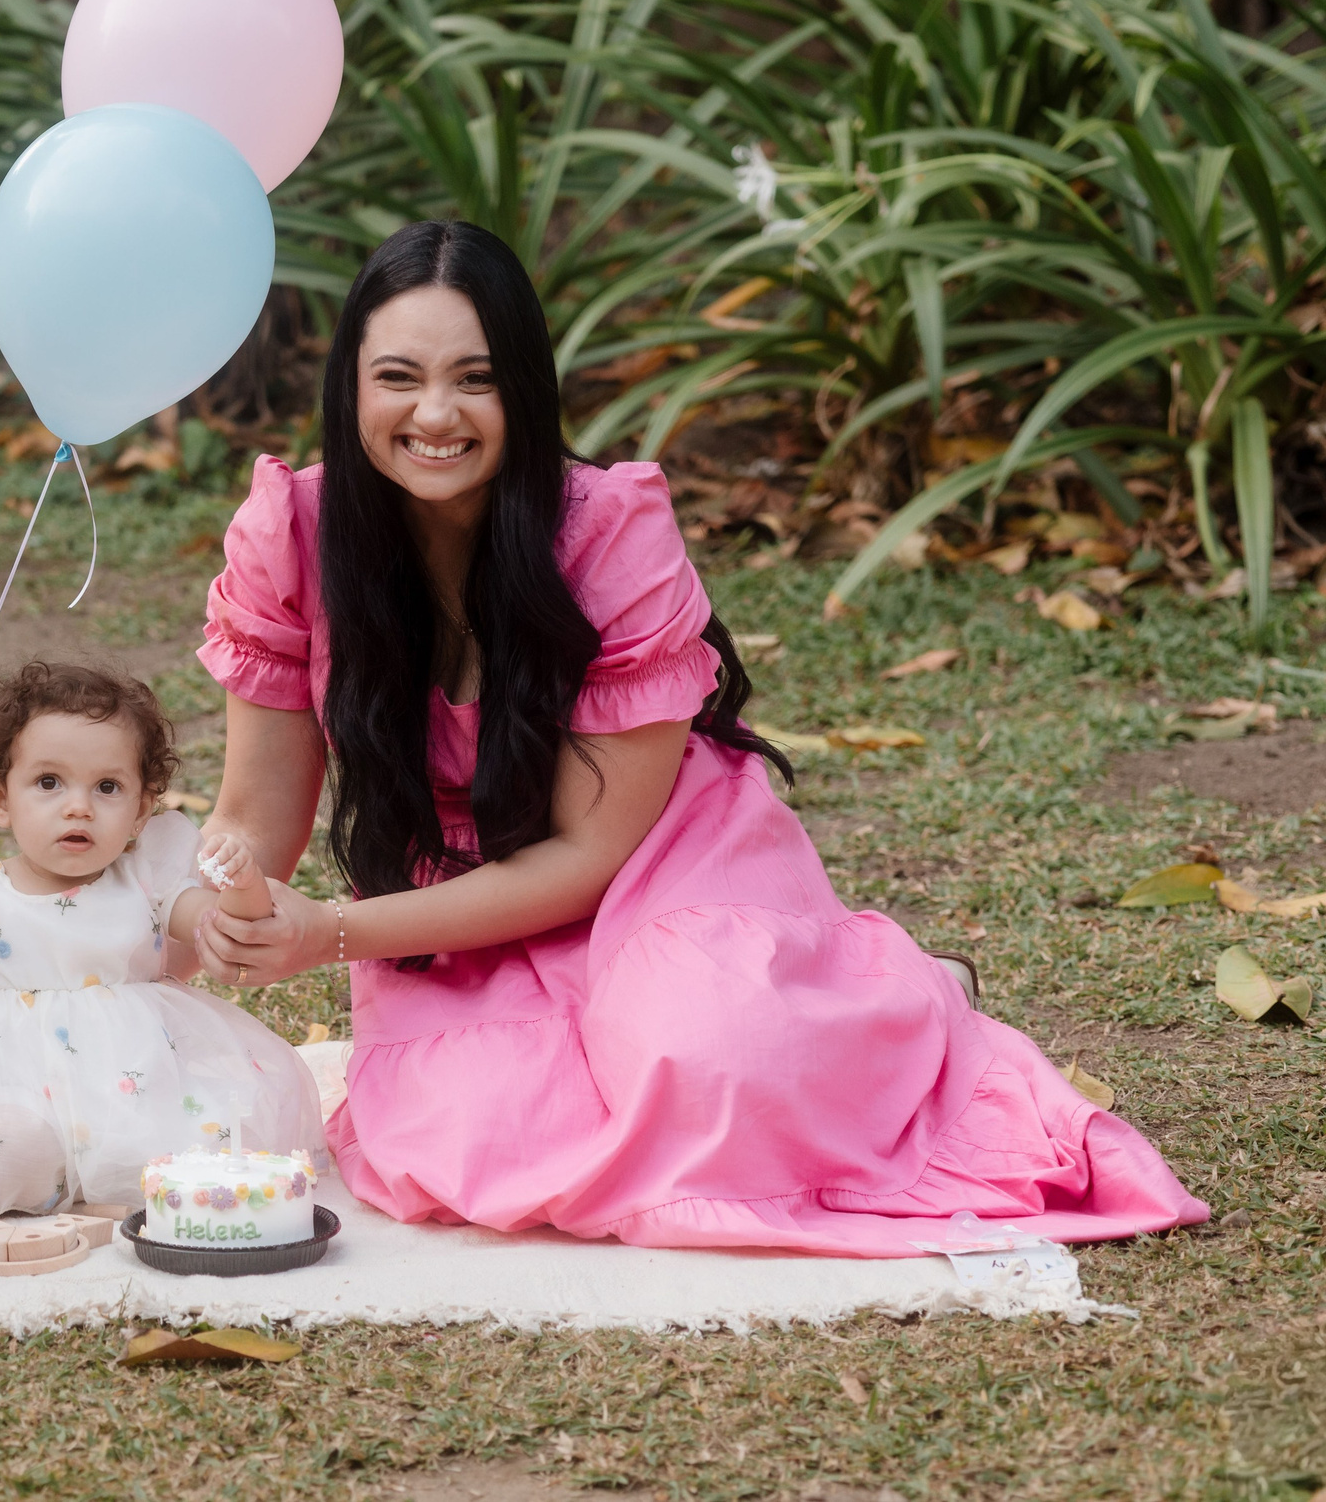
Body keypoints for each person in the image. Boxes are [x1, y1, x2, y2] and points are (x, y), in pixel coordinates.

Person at [188, 219, 1207, 1256]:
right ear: (348, 388)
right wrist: (183, 915)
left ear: (527, 392)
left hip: (653, 855)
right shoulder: (293, 534)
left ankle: (905, 999)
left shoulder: (607, 529)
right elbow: (248, 819)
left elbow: (588, 854)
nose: (435, 414)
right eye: (397, 377)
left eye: (476, 379)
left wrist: (334, 932)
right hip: (453, 893)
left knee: (715, 1065)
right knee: (464, 1139)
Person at [0, 661, 322, 1223]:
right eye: (49, 783)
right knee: (4, 1139)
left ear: (141, 809)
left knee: (186, 1135)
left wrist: (244, 886)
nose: (78, 806)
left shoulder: (146, 882)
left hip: (126, 1078)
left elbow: (224, 927)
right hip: (2, 1082)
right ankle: (40, 1178)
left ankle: (102, 1181)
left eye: (107, 787)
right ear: (1, 798)